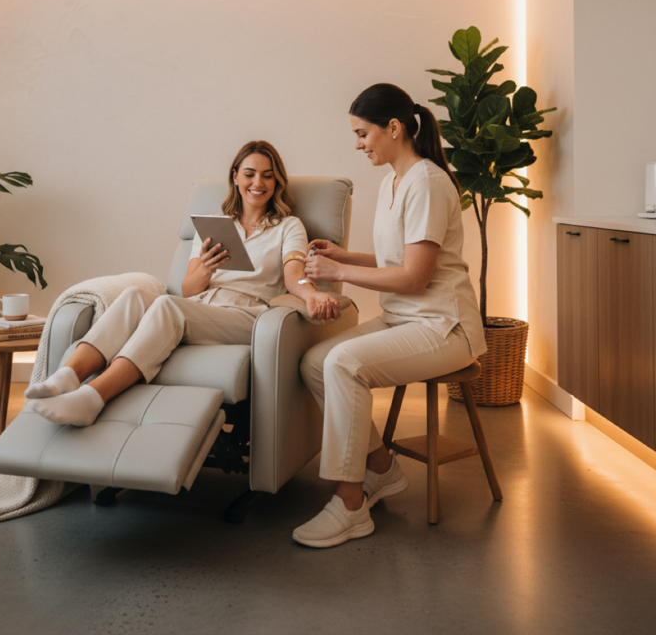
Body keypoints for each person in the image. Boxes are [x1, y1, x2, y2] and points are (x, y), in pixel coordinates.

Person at [25, 140, 341, 428]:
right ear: (235, 177)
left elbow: (294, 273)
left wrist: (310, 293)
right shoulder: (215, 225)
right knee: (134, 296)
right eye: (249, 174)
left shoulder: (288, 226)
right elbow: (189, 289)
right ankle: (68, 376)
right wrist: (206, 268)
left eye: (267, 176)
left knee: (167, 306)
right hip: (201, 306)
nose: (258, 183)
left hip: (248, 315)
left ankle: (92, 398)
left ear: (277, 182)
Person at [292, 83, 486, 548]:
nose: (359, 144)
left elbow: (415, 277)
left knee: (344, 363)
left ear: (394, 128)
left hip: (443, 326)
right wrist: (346, 256)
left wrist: (339, 271)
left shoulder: (428, 183)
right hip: (404, 318)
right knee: (316, 362)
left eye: (363, 134)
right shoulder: (392, 182)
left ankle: (350, 504)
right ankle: (380, 467)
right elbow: (398, 260)